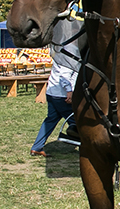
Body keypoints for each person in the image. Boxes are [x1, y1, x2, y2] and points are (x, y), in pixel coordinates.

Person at [30, 17, 83, 156]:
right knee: (78, 121)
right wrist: (69, 92)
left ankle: (37, 146)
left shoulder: (63, 47)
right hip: (62, 94)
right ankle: (88, 149)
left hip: (52, 91)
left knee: (51, 120)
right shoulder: (72, 49)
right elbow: (65, 74)